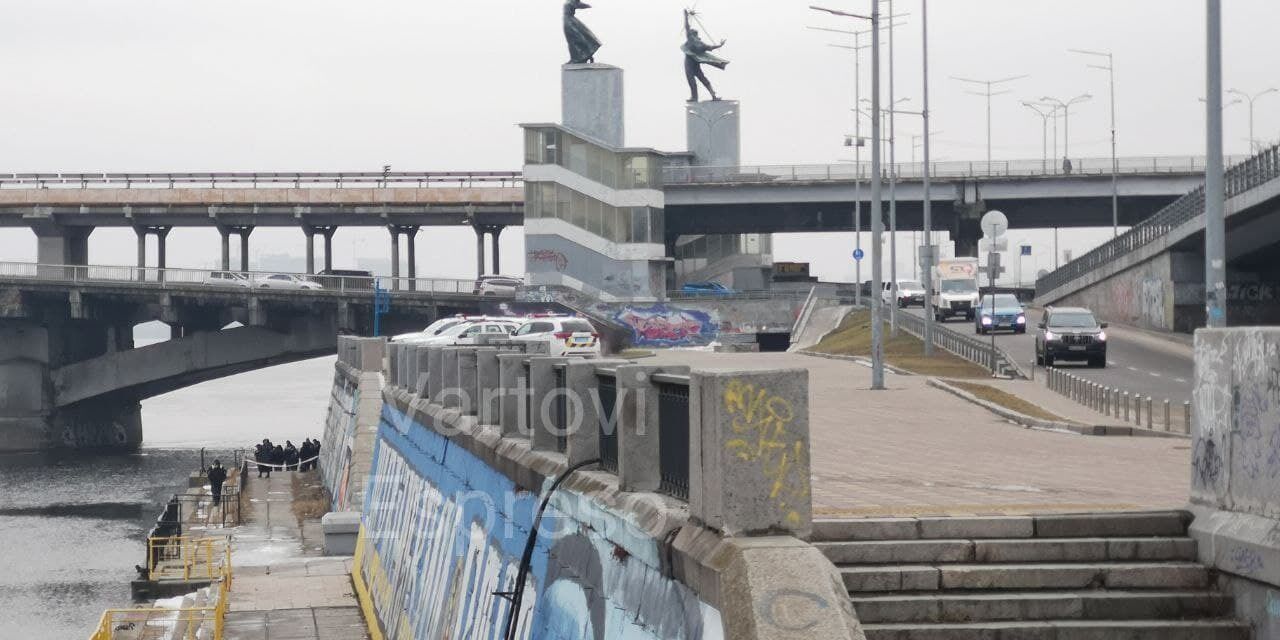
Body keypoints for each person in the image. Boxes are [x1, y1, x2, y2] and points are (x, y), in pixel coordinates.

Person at [682, 9, 729, 102]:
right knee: (702, 79)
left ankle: (695, 97)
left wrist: (686, 16)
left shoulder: (691, 39)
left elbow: (686, 27)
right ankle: (712, 95)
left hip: (690, 63)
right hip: (694, 63)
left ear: (692, 34)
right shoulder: (700, 43)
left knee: (693, 81)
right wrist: (720, 45)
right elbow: (711, 47)